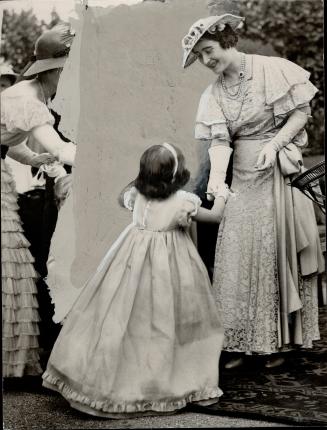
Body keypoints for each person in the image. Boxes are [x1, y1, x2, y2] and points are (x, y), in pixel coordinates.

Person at [181, 14, 325, 369]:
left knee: (275, 250)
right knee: (238, 252)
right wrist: (217, 180)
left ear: (227, 40)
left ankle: (279, 342)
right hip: (244, 176)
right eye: (199, 55)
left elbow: (301, 113)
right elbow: (219, 140)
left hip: (277, 171)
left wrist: (275, 145)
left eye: (208, 51)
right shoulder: (213, 92)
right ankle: (242, 342)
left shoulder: (270, 69)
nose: (206, 60)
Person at [42, 143, 225, 418]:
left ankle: (123, 376)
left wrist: (141, 180)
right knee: (167, 320)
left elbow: (121, 198)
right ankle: (163, 382)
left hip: (129, 261)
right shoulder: (181, 202)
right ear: (175, 174)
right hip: (170, 268)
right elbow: (215, 217)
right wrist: (221, 195)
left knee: (127, 318)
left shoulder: (136, 194)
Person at [1, 24, 76, 377]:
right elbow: (61, 148)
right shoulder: (28, 102)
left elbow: (8, 140)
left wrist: (33, 160)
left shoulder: (23, 96)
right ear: (57, 70)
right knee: (9, 262)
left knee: (11, 263)